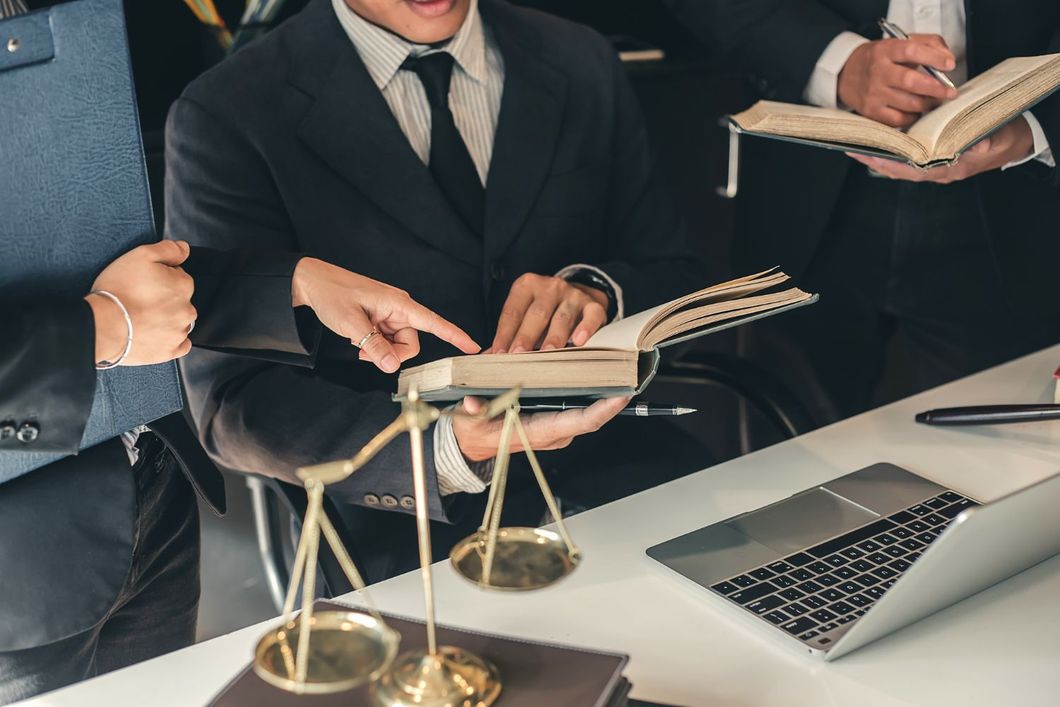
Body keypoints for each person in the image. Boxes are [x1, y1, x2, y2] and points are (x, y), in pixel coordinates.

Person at [167, 0, 713, 580]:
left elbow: (674, 271)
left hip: (617, 461)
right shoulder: (228, 111)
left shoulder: (580, 57)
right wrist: (444, 449)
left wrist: (600, 292)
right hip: (411, 520)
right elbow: (232, 404)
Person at [0, 237, 477, 703]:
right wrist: (100, 327)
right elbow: (112, 306)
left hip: (154, 477)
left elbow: (101, 260)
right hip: (18, 555)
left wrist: (300, 284)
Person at [666, 0, 1060, 426]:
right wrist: (838, 62)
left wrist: (1034, 131)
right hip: (805, 185)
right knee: (787, 446)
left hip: (1025, 207)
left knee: (991, 457)